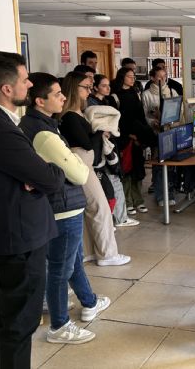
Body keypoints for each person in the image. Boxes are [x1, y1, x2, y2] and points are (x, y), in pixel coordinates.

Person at [0, 51, 65, 368]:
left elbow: (37, 177)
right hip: (18, 239)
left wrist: (35, 176)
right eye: (24, 79)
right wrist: (43, 174)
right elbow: (52, 177)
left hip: (8, 234)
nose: (30, 84)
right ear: (7, 88)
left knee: (8, 314)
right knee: (19, 322)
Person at [19, 72, 110, 344]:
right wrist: (73, 163)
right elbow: (80, 174)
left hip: (62, 205)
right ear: (40, 101)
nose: (62, 98)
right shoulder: (45, 134)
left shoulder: (38, 124)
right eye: (57, 94)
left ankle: (89, 301)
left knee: (73, 261)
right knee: (60, 268)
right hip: (63, 208)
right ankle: (59, 325)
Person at [58, 71, 131, 267]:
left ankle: (91, 251)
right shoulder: (70, 116)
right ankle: (107, 254)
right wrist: (99, 132)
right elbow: (85, 143)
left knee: (91, 209)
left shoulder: (79, 112)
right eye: (86, 87)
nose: (89, 91)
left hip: (86, 162)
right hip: (82, 163)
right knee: (100, 207)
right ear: (75, 88)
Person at [88, 74, 139, 228]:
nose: (107, 88)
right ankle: (120, 218)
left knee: (115, 181)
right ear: (95, 87)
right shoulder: (91, 105)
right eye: (103, 85)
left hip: (111, 144)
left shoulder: (108, 101)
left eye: (108, 85)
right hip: (101, 149)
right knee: (113, 183)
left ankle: (118, 217)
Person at [112, 67, 157, 215]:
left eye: (133, 76)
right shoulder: (115, 96)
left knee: (138, 170)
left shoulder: (135, 93)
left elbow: (140, 116)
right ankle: (128, 201)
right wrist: (130, 136)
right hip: (124, 139)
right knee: (127, 170)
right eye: (129, 76)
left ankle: (138, 200)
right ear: (122, 77)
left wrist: (143, 135)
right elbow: (117, 121)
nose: (132, 79)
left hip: (138, 137)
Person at [142, 66, 181, 206]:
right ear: (152, 78)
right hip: (156, 134)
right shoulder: (146, 94)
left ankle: (170, 193)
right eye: (159, 77)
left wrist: (171, 121)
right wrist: (154, 122)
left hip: (170, 132)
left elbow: (178, 112)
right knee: (158, 166)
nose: (163, 80)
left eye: (164, 76)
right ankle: (160, 195)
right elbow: (145, 114)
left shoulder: (172, 91)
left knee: (171, 166)